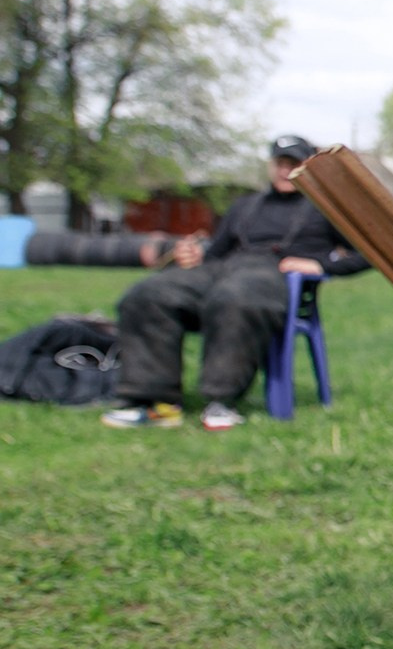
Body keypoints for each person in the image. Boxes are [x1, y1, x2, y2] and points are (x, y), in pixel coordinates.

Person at [102, 136, 369, 432]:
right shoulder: (245, 205)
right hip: (225, 268)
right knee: (148, 295)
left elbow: (370, 252)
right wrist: (195, 256)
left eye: (293, 163)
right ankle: (152, 402)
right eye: (280, 163)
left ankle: (220, 401)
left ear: (307, 167)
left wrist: (321, 266)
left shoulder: (325, 209)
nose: (286, 170)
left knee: (233, 297)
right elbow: (216, 253)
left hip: (274, 276)